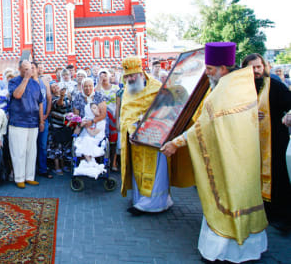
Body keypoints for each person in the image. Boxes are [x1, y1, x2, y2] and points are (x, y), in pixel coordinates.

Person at [161, 42, 268, 263]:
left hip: (229, 157)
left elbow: (202, 127)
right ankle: (248, 249)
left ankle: (221, 252)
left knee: (227, 198)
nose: (207, 73)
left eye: (210, 69)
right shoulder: (241, 84)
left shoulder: (223, 91)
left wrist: (175, 143)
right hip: (240, 155)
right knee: (241, 196)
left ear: (223, 68)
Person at [242, 53, 291, 231]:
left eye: (258, 67)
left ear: (264, 67)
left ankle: (282, 217)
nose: (255, 71)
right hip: (250, 143)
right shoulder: (241, 89)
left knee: (278, 178)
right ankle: (263, 212)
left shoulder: (275, 86)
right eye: (251, 67)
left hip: (274, 142)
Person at [119, 56, 173, 216]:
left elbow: (168, 109)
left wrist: (149, 118)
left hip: (155, 138)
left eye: (132, 75)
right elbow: (125, 114)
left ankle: (156, 202)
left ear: (141, 73)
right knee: (139, 171)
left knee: (156, 171)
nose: (129, 79)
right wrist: (131, 127)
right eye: (127, 76)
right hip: (136, 139)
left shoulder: (156, 87)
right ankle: (140, 200)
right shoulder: (127, 91)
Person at [8, 60, 44, 189]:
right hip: (18, 121)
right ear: (19, 69)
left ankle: (29, 177)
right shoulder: (14, 81)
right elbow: (17, 95)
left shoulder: (36, 84)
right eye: (25, 68)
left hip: (33, 122)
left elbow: (40, 103)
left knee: (31, 151)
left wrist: (41, 121)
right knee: (19, 152)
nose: (28, 71)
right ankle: (19, 178)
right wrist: (26, 79)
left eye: (30, 68)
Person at [95, 69, 120, 170]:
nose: (103, 77)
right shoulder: (98, 88)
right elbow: (95, 96)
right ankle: (101, 161)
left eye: (105, 75)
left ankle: (113, 162)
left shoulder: (115, 88)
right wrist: (99, 82)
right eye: (101, 75)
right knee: (102, 139)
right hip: (102, 117)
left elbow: (118, 103)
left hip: (113, 116)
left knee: (113, 140)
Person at [32, 62, 53, 179]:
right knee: (31, 146)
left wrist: (46, 114)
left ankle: (43, 169)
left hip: (44, 119)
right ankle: (32, 170)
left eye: (34, 68)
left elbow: (49, 99)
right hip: (32, 119)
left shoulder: (44, 82)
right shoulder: (29, 82)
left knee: (43, 145)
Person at [48, 81, 72, 175]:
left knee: (63, 147)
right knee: (56, 148)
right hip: (56, 127)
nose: (56, 88)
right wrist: (61, 96)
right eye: (53, 87)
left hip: (65, 126)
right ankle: (57, 167)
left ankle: (63, 165)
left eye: (56, 86)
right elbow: (59, 104)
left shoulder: (67, 97)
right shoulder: (53, 98)